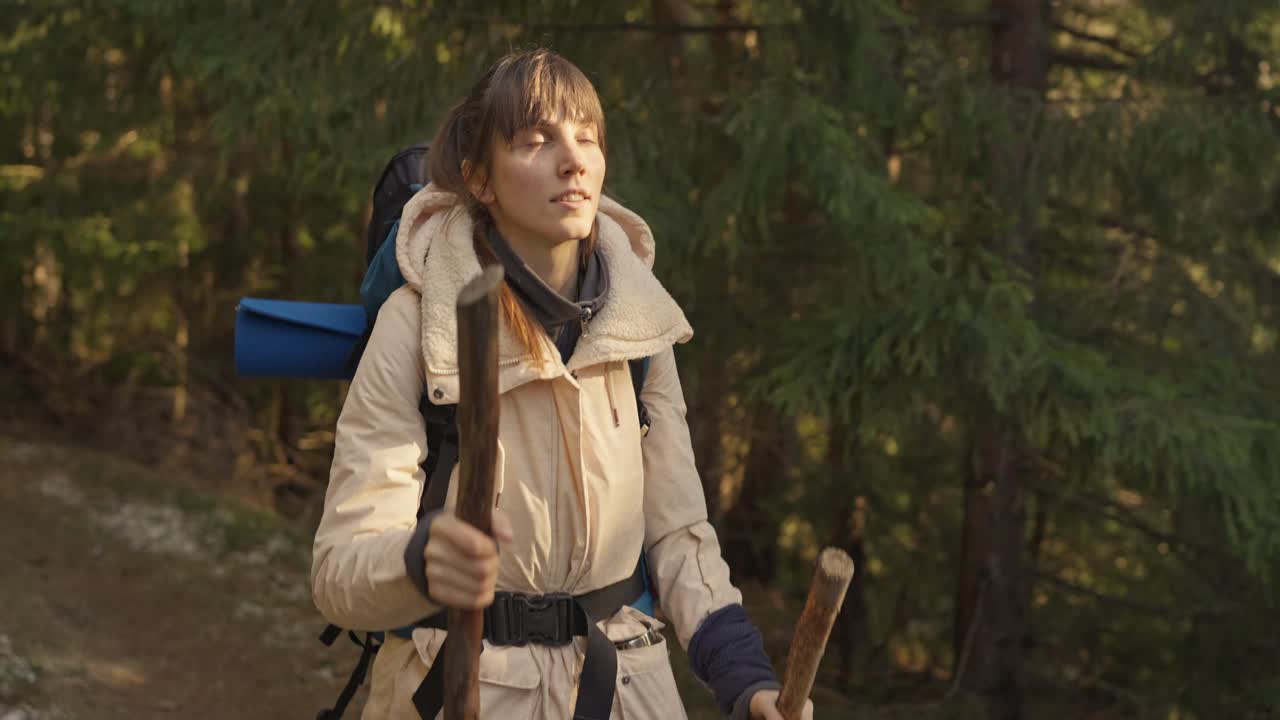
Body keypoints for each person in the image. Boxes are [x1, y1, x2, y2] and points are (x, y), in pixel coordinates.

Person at [311, 48, 815, 720]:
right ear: (480, 180)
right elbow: (338, 571)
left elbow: (677, 531)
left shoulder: (640, 325)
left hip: (624, 691)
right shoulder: (417, 323)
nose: (573, 160)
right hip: (456, 687)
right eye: (535, 141)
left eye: (587, 137)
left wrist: (744, 677)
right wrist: (417, 561)